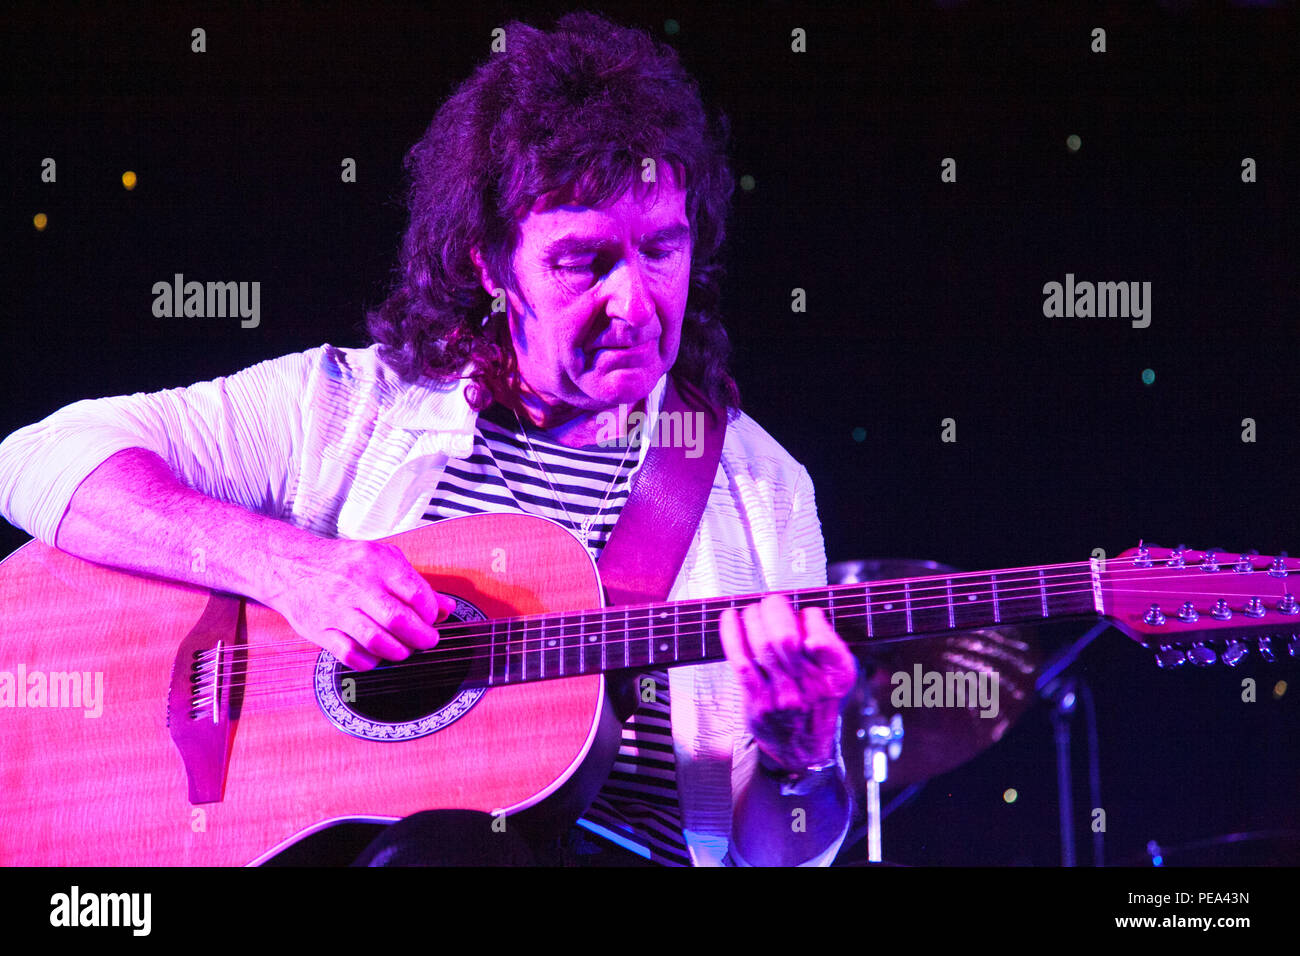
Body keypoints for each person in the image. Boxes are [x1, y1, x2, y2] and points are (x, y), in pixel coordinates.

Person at [0, 11, 855, 866]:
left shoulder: (763, 489)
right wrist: (287, 566)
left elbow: (783, 853)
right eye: (582, 262)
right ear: (489, 264)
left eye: (662, 249)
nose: (634, 303)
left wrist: (800, 757)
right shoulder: (349, 409)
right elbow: (37, 459)